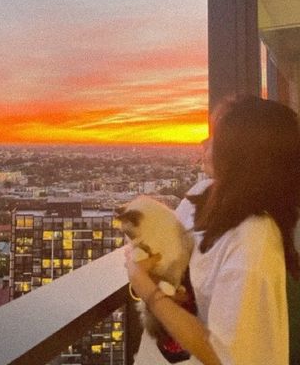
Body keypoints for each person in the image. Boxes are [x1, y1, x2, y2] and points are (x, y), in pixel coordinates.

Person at [126, 96, 300, 364]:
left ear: (241, 152)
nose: (204, 143)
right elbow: (177, 270)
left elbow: (222, 353)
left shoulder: (254, 237)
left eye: (215, 136)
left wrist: (146, 288)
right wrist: (168, 287)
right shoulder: (201, 196)